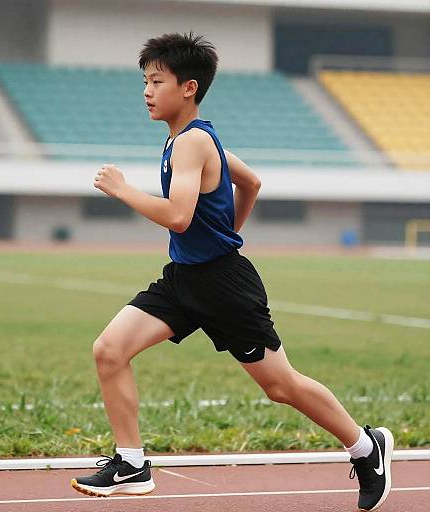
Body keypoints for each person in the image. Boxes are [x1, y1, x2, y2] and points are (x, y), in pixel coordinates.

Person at [70, 32, 393, 511]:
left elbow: (179, 216)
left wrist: (122, 190)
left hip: (223, 286)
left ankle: (367, 448)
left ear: (188, 87)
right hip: (184, 279)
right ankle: (132, 462)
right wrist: (226, 231)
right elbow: (251, 181)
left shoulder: (192, 143)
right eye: (144, 80)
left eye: (157, 80)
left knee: (280, 386)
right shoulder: (187, 139)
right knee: (110, 350)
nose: (146, 90)